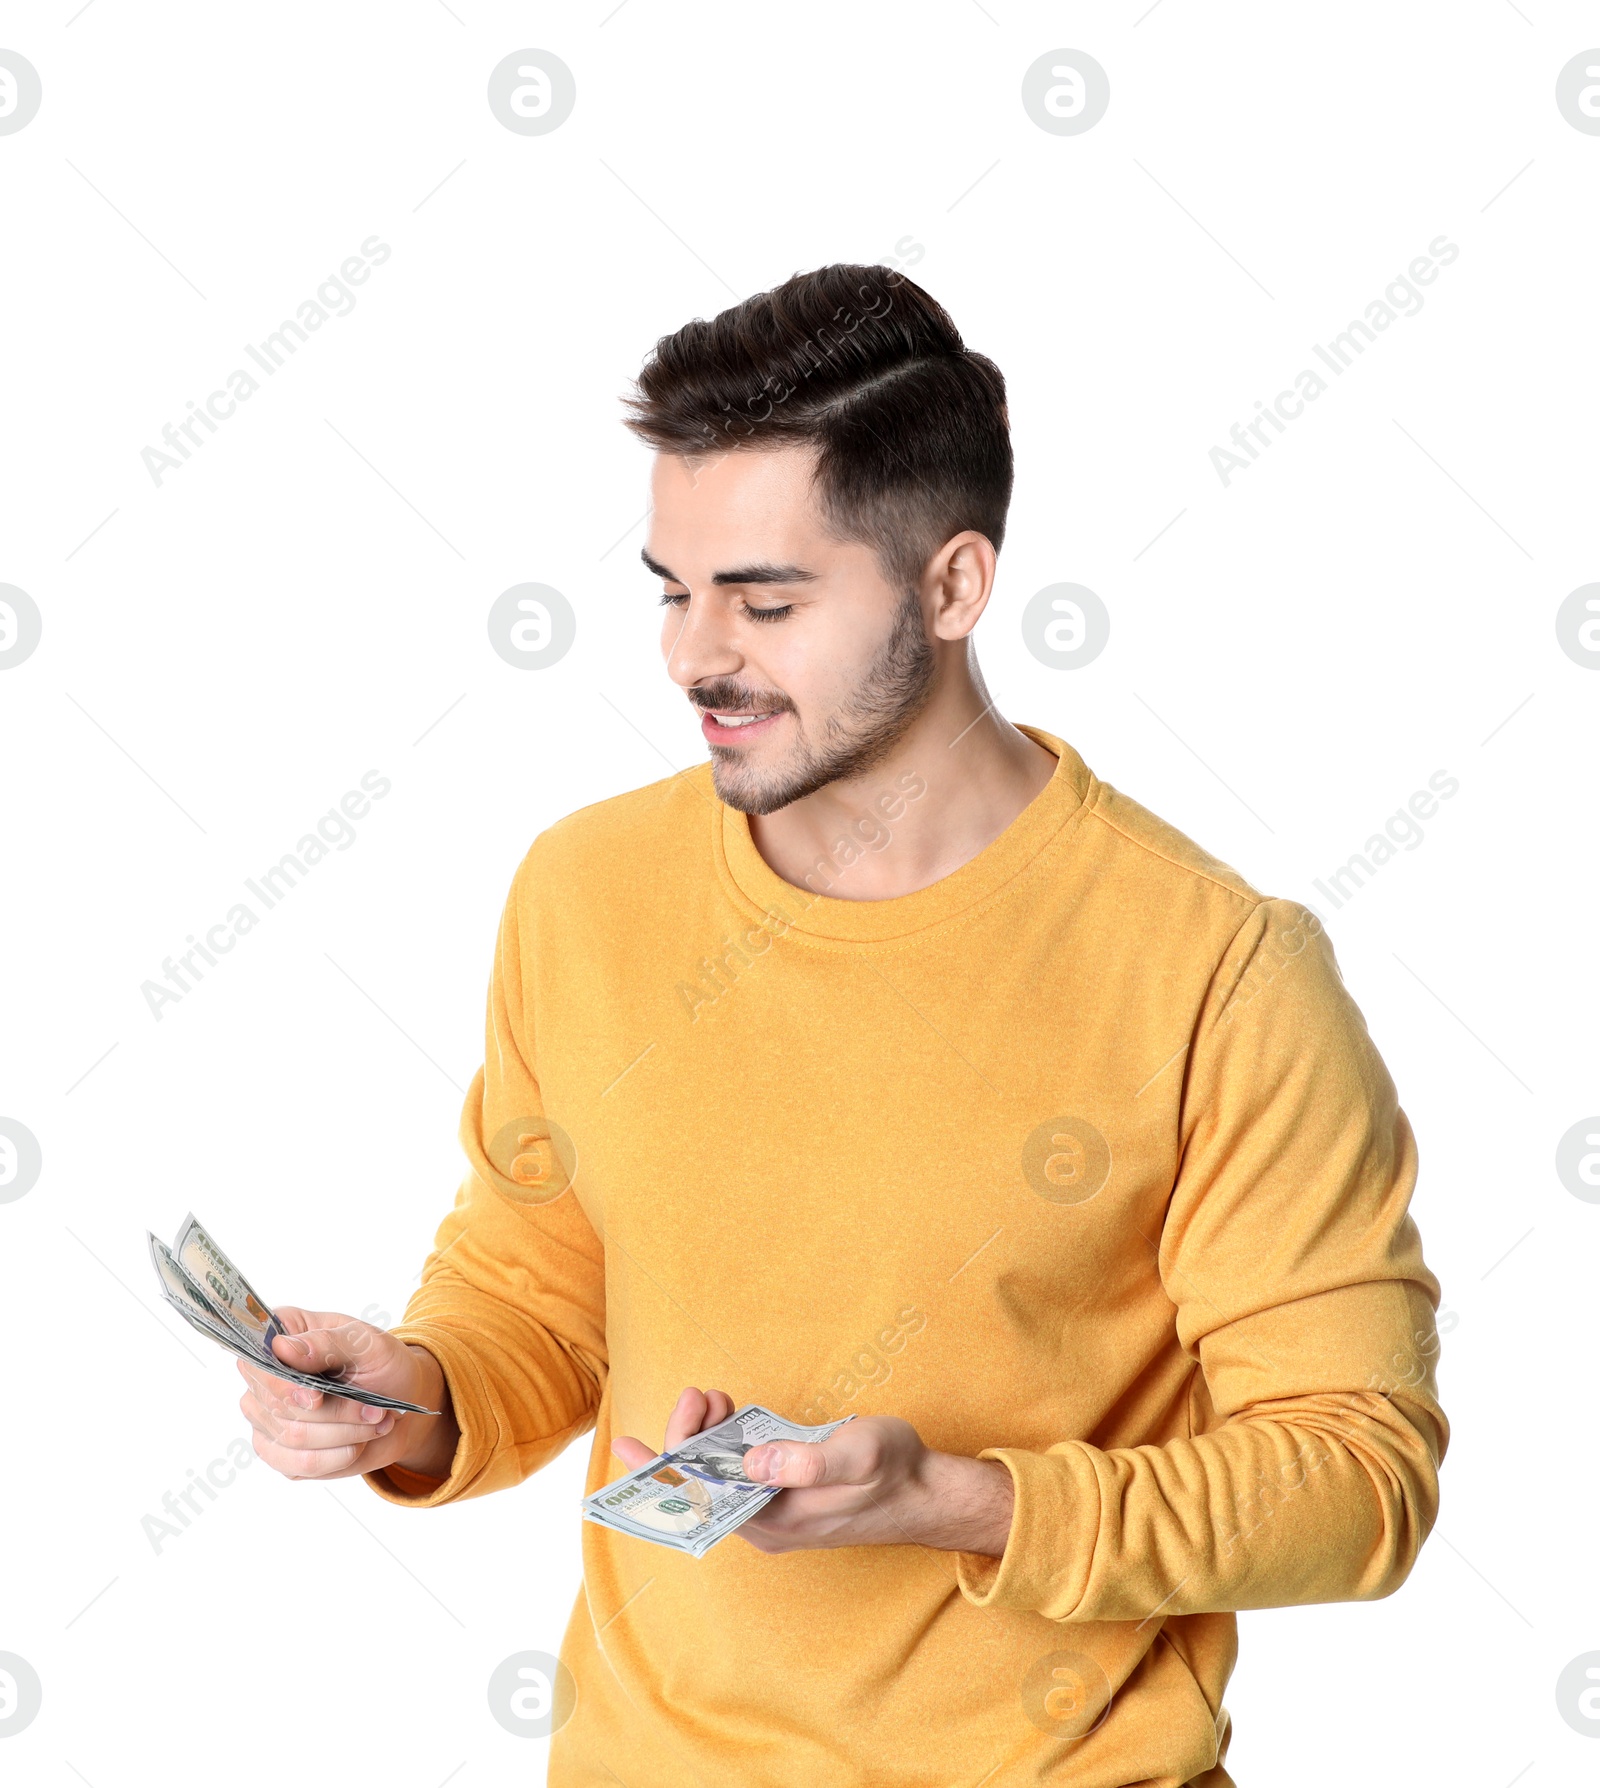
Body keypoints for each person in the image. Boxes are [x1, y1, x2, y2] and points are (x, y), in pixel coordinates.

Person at [238, 263, 1448, 1785]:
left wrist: (960, 1501)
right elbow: (539, 1294)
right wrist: (413, 1399)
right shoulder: (585, 888)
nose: (693, 655)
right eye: (675, 591)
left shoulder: (1220, 970)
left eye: (768, 599)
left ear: (951, 587)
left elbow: (1359, 1481)